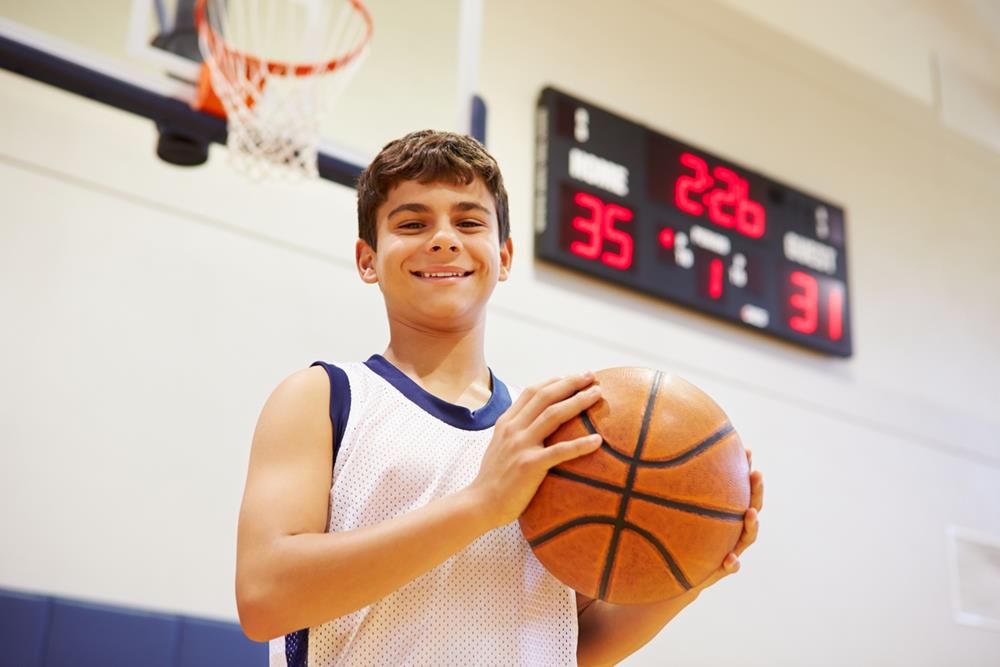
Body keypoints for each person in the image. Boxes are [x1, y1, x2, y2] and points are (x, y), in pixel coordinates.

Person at [235, 130, 764, 666]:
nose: (443, 239)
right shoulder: (324, 397)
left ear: (504, 256)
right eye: (413, 223)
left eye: (469, 222)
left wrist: (694, 568)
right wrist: (481, 504)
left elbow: (569, 645)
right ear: (367, 259)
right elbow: (265, 598)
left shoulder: (551, 433)